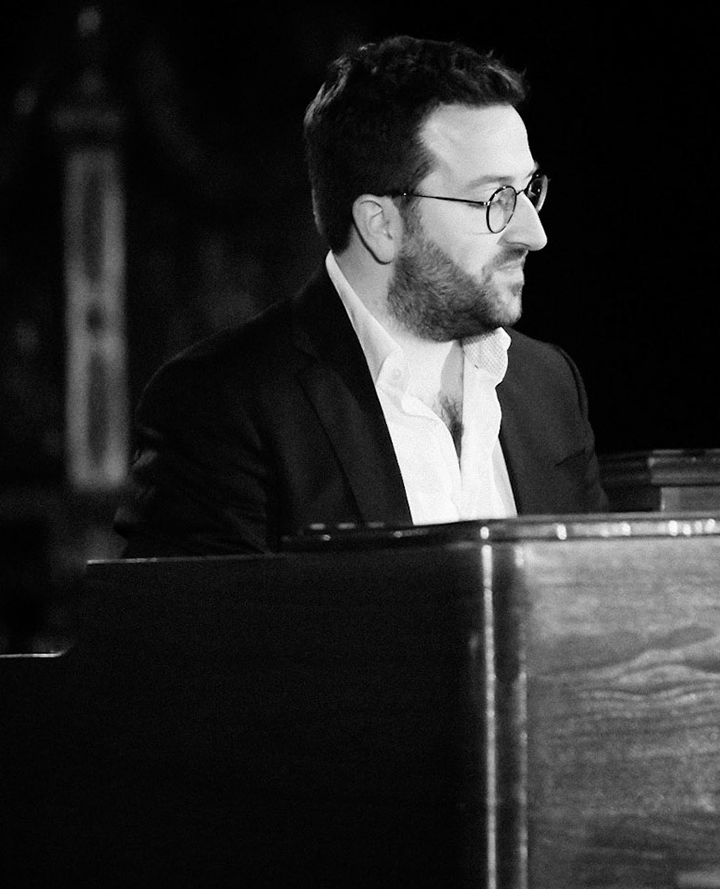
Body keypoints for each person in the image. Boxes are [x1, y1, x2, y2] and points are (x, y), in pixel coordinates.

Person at [115, 35, 608, 556]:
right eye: (494, 199)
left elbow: (596, 596)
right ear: (381, 224)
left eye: (529, 191)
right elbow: (198, 611)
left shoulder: (549, 386)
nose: (535, 234)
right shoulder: (222, 406)